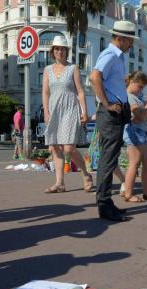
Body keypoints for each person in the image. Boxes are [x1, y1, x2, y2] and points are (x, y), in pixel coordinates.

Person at [89, 20, 137, 222]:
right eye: (130, 40)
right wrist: (107, 104)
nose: (131, 45)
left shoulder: (117, 57)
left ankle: (107, 203)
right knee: (107, 161)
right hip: (110, 115)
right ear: (121, 38)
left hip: (116, 113)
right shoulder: (110, 55)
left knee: (110, 159)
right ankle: (104, 205)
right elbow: (94, 77)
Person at [42, 35, 93, 193]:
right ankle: (60, 182)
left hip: (70, 109)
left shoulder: (73, 68)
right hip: (54, 110)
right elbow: (45, 92)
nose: (60, 51)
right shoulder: (47, 70)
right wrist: (46, 112)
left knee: (69, 148)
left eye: (63, 49)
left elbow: (80, 92)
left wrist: (85, 111)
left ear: (66, 51)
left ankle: (85, 174)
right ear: (53, 52)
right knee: (56, 147)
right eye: (57, 49)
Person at [122, 71, 147, 202]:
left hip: (140, 132)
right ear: (132, 83)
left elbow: (146, 115)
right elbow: (139, 116)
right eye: (140, 86)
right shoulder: (129, 96)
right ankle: (128, 194)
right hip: (133, 131)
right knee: (134, 162)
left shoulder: (136, 96)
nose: (141, 90)